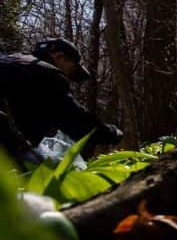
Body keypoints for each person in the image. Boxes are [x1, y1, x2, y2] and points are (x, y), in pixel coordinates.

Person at [0, 37, 123, 169]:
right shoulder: (44, 71)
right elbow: (74, 120)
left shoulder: (14, 63)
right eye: (72, 67)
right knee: (42, 175)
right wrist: (112, 134)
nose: (69, 76)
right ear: (59, 57)